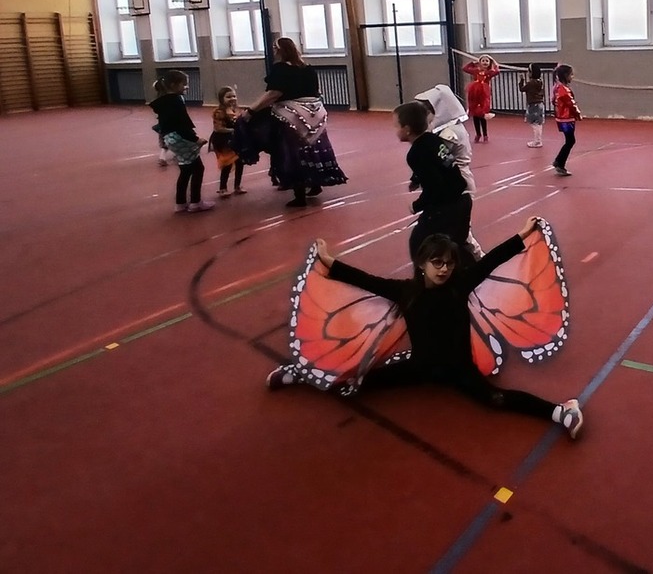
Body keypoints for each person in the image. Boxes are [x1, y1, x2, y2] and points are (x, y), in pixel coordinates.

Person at [265, 219, 584, 440]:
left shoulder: (460, 284)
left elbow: (492, 261)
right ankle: (303, 372)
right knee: (357, 383)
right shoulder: (405, 292)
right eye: (437, 263)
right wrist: (328, 261)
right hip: (419, 368)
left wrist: (523, 235)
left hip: (460, 371)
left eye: (449, 263)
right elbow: (363, 280)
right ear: (422, 264)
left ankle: (561, 411)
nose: (444, 269)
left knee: (496, 399)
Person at [242, 37, 348, 208]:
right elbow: (317, 91)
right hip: (316, 113)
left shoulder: (281, 69)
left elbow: (273, 94)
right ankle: (315, 183)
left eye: (275, 49)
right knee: (312, 149)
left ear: (279, 51)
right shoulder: (308, 68)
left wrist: (251, 110)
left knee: (291, 152)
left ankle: (299, 194)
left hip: (291, 115)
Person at [394, 101, 472, 266]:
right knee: (456, 244)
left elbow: (435, 187)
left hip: (448, 205)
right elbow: (438, 163)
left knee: (420, 244)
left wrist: (417, 205)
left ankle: (427, 277)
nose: (395, 130)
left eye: (397, 126)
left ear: (407, 129)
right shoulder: (433, 139)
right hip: (463, 198)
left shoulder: (415, 154)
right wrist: (416, 179)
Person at [414, 84, 484, 260]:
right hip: (453, 180)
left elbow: (435, 158)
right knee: (451, 226)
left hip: (458, 181)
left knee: (461, 229)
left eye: (430, 111)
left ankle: (481, 260)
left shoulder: (449, 133)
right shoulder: (449, 129)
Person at [149, 70, 214, 213]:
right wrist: (196, 139)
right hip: (180, 137)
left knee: (185, 170)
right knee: (198, 168)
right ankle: (196, 202)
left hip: (170, 138)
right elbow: (182, 124)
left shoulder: (163, 101)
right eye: (184, 84)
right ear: (174, 85)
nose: (187, 87)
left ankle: (180, 203)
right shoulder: (176, 100)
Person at [210, 86, 246, 198]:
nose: (232, 98)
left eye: (234, 96)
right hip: (223, 141)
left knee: (240, 162)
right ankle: (223, 188)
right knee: (227, 164)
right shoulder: (219, 112)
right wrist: (234, 130)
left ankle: (237, 186)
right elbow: (218, 128)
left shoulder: (236, 110)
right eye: (228, 97)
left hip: (236, 139)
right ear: (222, 99)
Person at [552, 64, 582, 177]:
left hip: (562, 118)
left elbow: (553, 101)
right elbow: (571, 104)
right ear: (565, 76)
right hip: (566, 119)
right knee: (570, 141)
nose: (572, 77)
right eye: (571, 75)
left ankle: (558, 162)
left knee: (570, 140)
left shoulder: (557, 88)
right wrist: (578, 114)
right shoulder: (564, 90)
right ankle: (559, 163)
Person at [462, 54, 500, 142]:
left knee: (482, 114)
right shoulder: (475, 71)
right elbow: (465, 68)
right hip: (474, 93)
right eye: (483, 61)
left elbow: (497, 71)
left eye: (487, 61)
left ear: (489, 63)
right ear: (480, 62)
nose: (485, 62)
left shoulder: (489, 72)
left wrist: (494, 62)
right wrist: (473, 63)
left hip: (483, 95)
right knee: (475, 114)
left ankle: (485, 134)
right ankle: (478, 134)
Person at [519, 64, 546, 148]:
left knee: (535, 124)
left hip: (534, 105)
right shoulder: (540, 81)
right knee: (538, 123)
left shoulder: (531, 83)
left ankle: (537, 142)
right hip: (540, 104)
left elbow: (522, 89)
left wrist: (521, 80)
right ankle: (538, 140)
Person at [151, 78, 177, 166]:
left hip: (162, 123)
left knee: (165, 140)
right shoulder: (170, 98)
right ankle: (177, 155)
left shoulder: (159, 99)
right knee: (176, 139)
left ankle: (162, 157)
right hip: (172, 123)